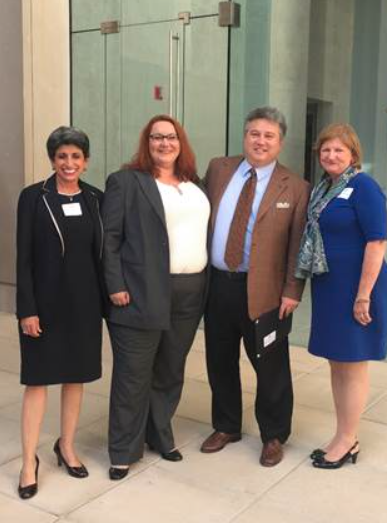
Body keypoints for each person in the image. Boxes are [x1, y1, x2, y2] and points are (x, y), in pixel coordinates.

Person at [200, 106, 310, 467]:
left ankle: (274, 434)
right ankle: (227, 425)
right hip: (217, 285)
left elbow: (298, 244)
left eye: (268, 135)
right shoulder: (219, 169)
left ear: (280, 142)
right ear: (244, 136)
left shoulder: (295, 187)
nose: (260, 141)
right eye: (254, 133)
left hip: (265, 292)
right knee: (219, 360)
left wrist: (293, 290)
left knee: (271, 365)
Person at [102, 114, 210, 480]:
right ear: (146, 143)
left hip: (190, 291)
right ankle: (122, 450)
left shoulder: (195, 186)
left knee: (169, 370)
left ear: (182, 142)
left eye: (171, 137)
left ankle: (159, 434)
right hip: (140, 292)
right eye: (156, 137)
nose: (164, 143)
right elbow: (110, 239)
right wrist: (115, 285)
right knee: (133, 375)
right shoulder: (127, 182)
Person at [16, 126, 105, 499]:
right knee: (38, 381)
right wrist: (27, 309)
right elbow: (23, 258)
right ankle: (27, 462)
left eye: (76, 156)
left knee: (75, 378)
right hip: (44, 306)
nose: (69, 163)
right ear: (52, 159)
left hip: (84, 305)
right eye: (62, 156)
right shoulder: (34, 198)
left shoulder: (97, 199)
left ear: (85, 161)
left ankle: (66, 446)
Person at [295, 123, 387, 469]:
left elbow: (377, 241)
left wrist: (363, 295)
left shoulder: (363, 187)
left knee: (352, 364)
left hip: (357, 287)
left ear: (353, 154)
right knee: (338, 363)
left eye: (339, 150)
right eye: (326, 150)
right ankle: (343, 434)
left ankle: (348, 440)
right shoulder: (326, 188)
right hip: (330, 286)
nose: (331, 155)